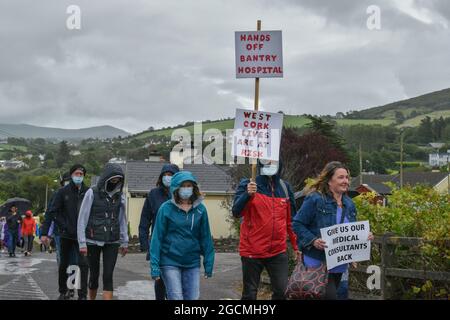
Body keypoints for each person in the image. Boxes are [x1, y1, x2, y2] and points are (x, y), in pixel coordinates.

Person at [292, 161, 374, 300]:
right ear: (329, 180)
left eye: (347, 177)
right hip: (317, 262)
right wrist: (313, 240)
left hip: (340, 264)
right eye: (341, 177)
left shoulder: (349, 203)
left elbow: (350, 232)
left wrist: (364, 236)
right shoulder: (315, 199)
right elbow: (297, 223)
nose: (346, 181)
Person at [232, 160, 300, 300]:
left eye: (273, 161)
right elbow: (236, 212)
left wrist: (296, 246)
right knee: (250, 294)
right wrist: (247, 195)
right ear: (260, 164)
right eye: (266, 161)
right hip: (252, 251)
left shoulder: (285, 188)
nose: (270, 164)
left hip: (277, 251)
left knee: (282, 292)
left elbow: (290, 221)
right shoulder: (248, 184)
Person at [150, 171, 215, 300]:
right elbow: (157, 238)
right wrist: (155, 266)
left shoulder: (201, 209)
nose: (186, 189)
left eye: (189, 185)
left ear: (194, 188)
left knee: (192, 297)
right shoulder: (165, 208)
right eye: (183, 186)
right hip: (169, 261)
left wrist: (208, 263)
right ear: (176, 188)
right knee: (176, 297)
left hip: (192, 262)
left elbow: (206, 238)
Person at [77, 163, 129, 300]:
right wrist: (82, 243)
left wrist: (125, 242)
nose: (115, 183)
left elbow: (122, 220)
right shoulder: (91, 193)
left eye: (118, 180)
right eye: (112, 180)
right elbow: (82, 218)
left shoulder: (120, 196)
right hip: (92, 240)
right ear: (106, 178)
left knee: (108, 276)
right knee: (94, 275)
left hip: (112, 241)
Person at [41, 164, 89, 300]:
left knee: (79, 264)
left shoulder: (88, 192)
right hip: (65, 234)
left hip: (82, 236)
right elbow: (52, 212)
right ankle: (63, 290)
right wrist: (45, 233)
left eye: (81, 174)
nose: (78, 176)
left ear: (84, 176)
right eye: (76, 174)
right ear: (72, 174)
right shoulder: (62, 192)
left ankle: (74, 289)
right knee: (63, 263)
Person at [139, 163, 179, 300]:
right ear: (161, 177)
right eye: (165, 175)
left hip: (178, 245)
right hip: (159, 245)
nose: (168, 177)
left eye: (171, 175)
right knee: (160, 280)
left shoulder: (183, 195)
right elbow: (145, 220)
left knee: (175, 281)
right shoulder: (153, 194)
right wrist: (145, 244)